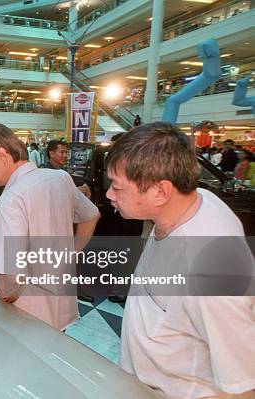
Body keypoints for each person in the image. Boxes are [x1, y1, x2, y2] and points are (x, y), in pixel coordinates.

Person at [106, 122, 254, 398]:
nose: (109, 195)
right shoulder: (193, 203)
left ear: (161, 192)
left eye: (117, 187)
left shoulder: (212, 268)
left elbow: (243, 384)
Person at [0, 123, 100, 331]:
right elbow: (92, 216)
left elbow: (11, 277)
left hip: (28, 314)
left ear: (2, 154)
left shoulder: (11, 199)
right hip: (62, 305)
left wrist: (3, 296)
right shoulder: (59, 178)